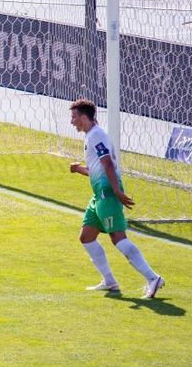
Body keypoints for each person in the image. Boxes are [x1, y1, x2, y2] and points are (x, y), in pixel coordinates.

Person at [68, 98, 165, 298]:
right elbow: (98, 168)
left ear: (84, 117)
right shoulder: (90, 135)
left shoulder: (97, 136)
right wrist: (79, 169)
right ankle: (110, 281)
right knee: (86, 237)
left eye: (74, 117)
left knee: (118, 238)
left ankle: (153, 278)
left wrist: (117, 191)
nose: (72, 122)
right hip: (98, 195)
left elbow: (108, 164)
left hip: (108, 193)